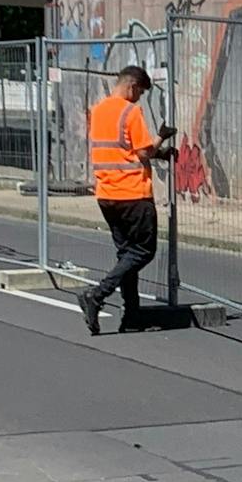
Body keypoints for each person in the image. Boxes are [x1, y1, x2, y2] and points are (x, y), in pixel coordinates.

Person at [76, 66, 175, 336]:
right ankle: (97, 295)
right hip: (133, 194)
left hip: (107, 195)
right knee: (143, 251)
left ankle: (132, 315)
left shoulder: (98, 111)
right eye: (140, 92)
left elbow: (122, 150)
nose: (139, 97)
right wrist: (161, 137)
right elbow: (143, 152)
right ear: (132, 86)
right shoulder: (130, 111)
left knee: (126, 254)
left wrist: (160, 153)